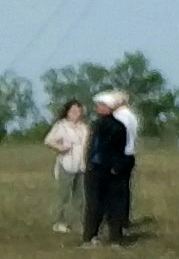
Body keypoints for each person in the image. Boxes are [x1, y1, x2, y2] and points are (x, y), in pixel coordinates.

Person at [83, 91, 136, 247]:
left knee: (96, 204)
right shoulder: (117, 126)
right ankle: (115, 237)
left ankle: (91, 236)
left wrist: (91, 164)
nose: (97, 108)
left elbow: (98, 148)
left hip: (101, 169)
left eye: (100, 105)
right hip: (110, 169)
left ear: (107, 107)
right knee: (113, 205)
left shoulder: (103, 126)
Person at [44, 99, 89, 232]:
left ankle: (82, 222)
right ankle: (60, 222)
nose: (76, 113)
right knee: (64, 195)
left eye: (78, 110)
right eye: (73, 111)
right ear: (67, 113)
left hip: (81, 165)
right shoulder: (61, 126)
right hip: (66, 164)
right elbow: (48, 140)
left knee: (81, 197)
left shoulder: (84, 127)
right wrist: (60, 148)